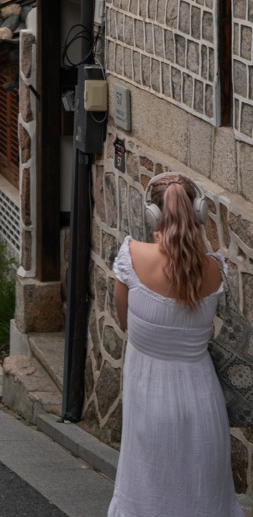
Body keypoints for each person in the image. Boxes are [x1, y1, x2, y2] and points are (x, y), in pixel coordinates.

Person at [108, 173, 241, 517]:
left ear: (152, 214)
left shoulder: (132, 257)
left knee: (148, 496)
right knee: (203, 498)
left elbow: (125, 322)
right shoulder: (214, 269)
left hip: (150, 404)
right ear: (199, 214)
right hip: (203, 402)